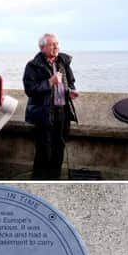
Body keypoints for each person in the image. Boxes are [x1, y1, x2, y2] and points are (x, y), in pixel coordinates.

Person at [23, 33, 79, 180]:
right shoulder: (33, 65)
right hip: (44, 113)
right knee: (44, 152)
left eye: (57, 43)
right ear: (42, 47)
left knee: (59, 149)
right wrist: (49, 82)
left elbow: (71, 81)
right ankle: (39, 183)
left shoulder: (63, 62)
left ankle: (54, 181)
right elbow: (30, 89)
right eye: (52, 44)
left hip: (62, 112)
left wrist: (70, 91)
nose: (56, 47)